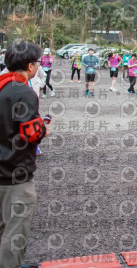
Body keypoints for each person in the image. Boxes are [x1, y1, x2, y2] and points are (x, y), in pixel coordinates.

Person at [0, 40, 51, 267]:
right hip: (15, 175)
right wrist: (44, 129)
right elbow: (29, 134)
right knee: (14, 234)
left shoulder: (2, 86)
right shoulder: (24, 92)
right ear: (30, 66)